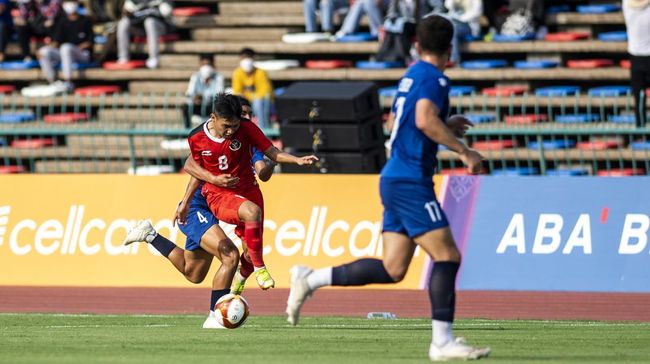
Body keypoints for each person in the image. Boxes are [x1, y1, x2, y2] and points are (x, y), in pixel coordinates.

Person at [285, 15, 490, 361]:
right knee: (447, 256)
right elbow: (424, 119)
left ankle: (310, 278)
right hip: (410, 179)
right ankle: (442, 342)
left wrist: (445, 122)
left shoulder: (410, 74)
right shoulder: (435, 78)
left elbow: (400, 120)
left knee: (394, 268)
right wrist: (464, 150)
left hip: (394, 175)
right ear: (450, 47)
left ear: (418, 45)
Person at [123, 99, 277, 329]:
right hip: (200, 205)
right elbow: (194, 166)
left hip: (217, 205)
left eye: (245, 117)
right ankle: (214, 316)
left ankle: (150, 235)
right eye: (237, 118)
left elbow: (262, 170)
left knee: (193, 272)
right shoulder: (211, 137)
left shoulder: (248, 142)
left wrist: (273, 160)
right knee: (230, 255)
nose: (239, 125)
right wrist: (185, 202)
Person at [188, 93, 317, 292]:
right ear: (213, 118)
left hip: (249, 190)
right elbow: (194, 167)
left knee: (249, 251)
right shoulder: (197, 137)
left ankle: (238, 281)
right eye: (226, 126)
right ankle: (261, 268)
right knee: (252, 212)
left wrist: (297, 160)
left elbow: (271, 153)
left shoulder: (247, 129)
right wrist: (189, 199)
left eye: (235, 125)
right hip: (218, 194)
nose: (231, 131)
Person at [37, 0, 93, 92]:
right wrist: (45, 49)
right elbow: (56, 41)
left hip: (82, 54)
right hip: (65, 54)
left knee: (66, 47)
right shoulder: (62, 21)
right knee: (44, 52)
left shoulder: (85, 20)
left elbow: (90, 42)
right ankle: (52, 82)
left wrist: (75, 48)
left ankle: (68, 81)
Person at [116, 0, 173, 69]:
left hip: (161, 27)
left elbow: (167, 12)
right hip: (141, 29)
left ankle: (154, 58)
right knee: (123, 22)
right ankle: (123, 58)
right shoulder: (133, 1)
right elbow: (127, 10)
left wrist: (148, 9)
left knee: (149, 22)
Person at [231, 48, 274, 130]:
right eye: (244, 57)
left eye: (248, 57)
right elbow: (237, 92)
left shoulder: (260, 72)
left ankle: (263, 129)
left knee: (259, 103)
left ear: (253, 58)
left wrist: (249, 97)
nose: (246, 60)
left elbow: (265, 92)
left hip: (261, 103)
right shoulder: (237, 73)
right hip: (247, 102)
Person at [623, 0, 650, 128]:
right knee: (639, 97)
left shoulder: (626, 4)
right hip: (639, 56)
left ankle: (640, 124)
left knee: (639, 97)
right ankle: (640, 125)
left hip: (636, 57)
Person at [183, 54, 226, 128]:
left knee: (219, 107)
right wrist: (195, 98)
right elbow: (190, 92)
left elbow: (220, 94)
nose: (206, 67)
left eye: (208, 64)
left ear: (212, 64)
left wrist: (205, 98)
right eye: (203, 64)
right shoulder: (195, 77)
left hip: (211, 106)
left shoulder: (219, 77)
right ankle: (187, 130)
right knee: (186, 107)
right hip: (198, 106)